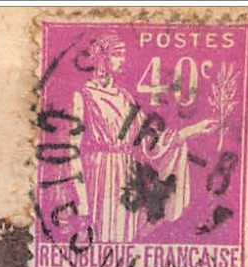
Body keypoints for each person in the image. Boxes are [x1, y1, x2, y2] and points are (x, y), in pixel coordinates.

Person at [68, 32, 216, 244]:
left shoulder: (125, 97)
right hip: (100, 175)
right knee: (102, 238)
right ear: (102, 58)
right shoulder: (83, 95)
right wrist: (81, 200)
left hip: (127, 175)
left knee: (124, 238)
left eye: (123, 55)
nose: (122, 60)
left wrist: (192, 130)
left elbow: (149, 142)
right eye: (117, 55)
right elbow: (71, 150)